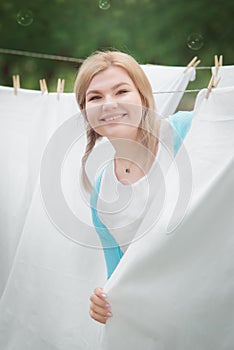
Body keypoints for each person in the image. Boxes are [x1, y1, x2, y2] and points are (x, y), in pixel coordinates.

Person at [74, 50, 193, 325]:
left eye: (121, 91)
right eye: (95, 97)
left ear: (143, 97)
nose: (109, 104)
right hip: (165, 321)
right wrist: (104, 305)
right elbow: (119, 280)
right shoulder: (102, 193)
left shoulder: (186, 132)